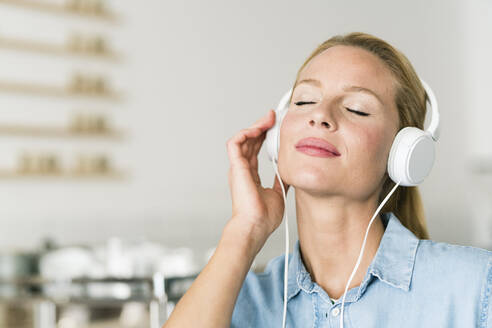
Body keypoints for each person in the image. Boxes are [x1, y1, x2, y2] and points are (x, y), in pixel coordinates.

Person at [162, 32, 492, 328]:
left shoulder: (476, 287)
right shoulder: (232, 300)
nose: (319, 115)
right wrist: (245, 229)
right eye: (304, 101)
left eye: (357, 109)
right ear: (277, 136)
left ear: (403, 152)